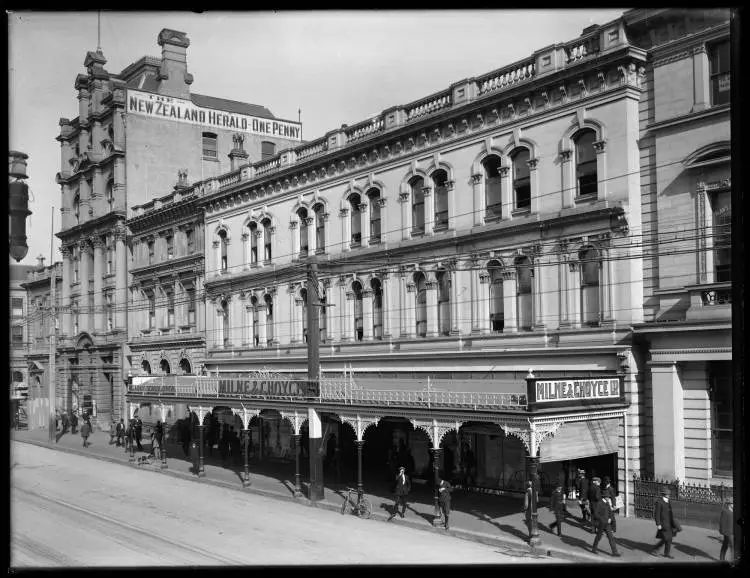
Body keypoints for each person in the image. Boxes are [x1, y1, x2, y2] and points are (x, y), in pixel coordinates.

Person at [651, 488, 681, 558]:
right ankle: (655, 550)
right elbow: (657, 514)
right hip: (663, 523)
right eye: (668, 494)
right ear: (664, 494)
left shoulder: (668, 501)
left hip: (670, 523)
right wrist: (658, 524)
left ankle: (666, 553)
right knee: (666, 538)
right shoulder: (659, 502)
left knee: (669, 538)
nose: (669, 495)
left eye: (669, 494)